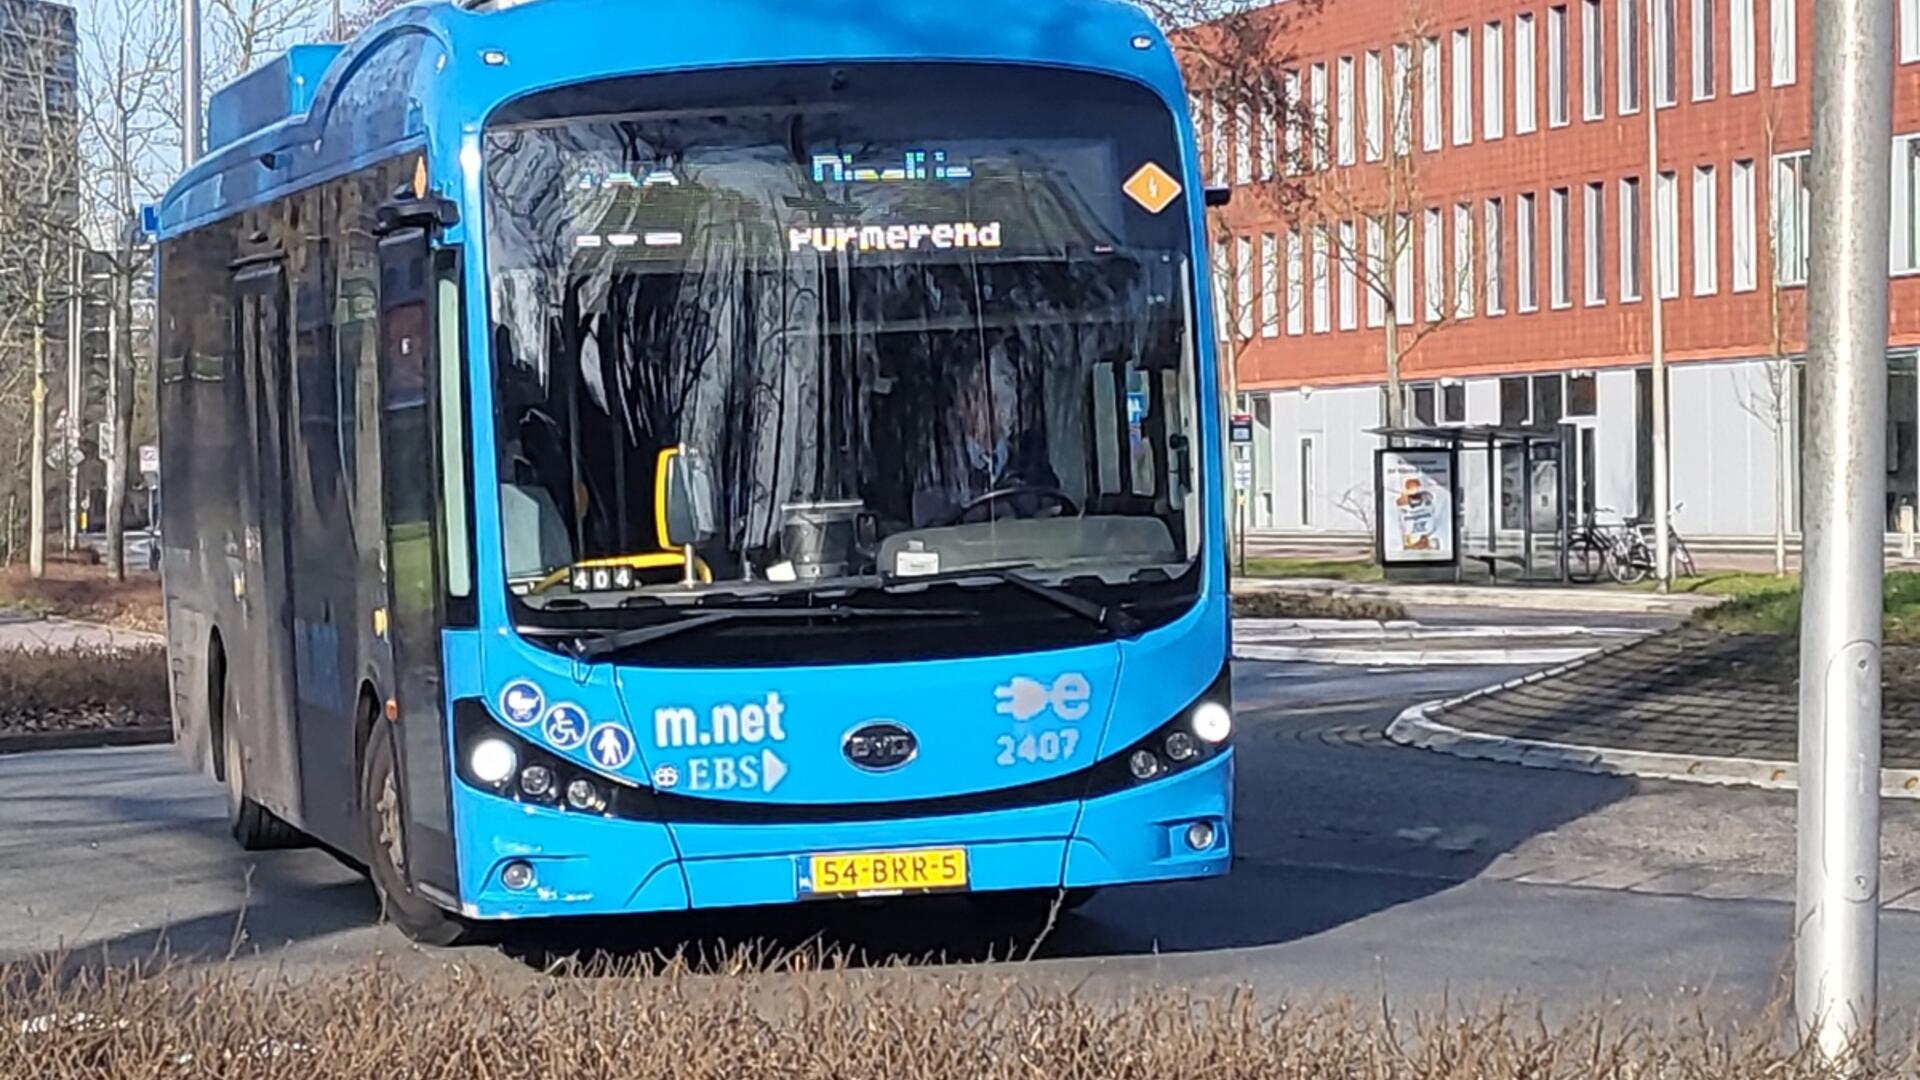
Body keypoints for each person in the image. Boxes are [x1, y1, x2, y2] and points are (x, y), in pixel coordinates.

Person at [912, 339, 1064, 526]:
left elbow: (1053, 514)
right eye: (987, 395)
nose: (1002, 406)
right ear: (961, 403)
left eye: (1007, 390)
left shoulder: (1032, 460)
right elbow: (932, 533)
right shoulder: (939, 467)